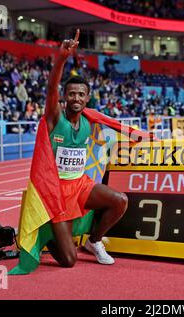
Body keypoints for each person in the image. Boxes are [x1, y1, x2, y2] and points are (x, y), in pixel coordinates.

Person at [43, 30, 128, 267]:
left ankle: (94, 241)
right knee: (69, 261)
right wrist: (61, 58)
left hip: (79, 185)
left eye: (81, 94)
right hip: (57, 193)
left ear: (87, 97)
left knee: (120, 200)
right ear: (65, 97)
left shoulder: (89, 120)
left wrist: (138, 138)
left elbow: (114, 128)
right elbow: (51, 88)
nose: (76, 98)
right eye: (71, 94)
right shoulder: (54, 117)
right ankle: (46, 234)